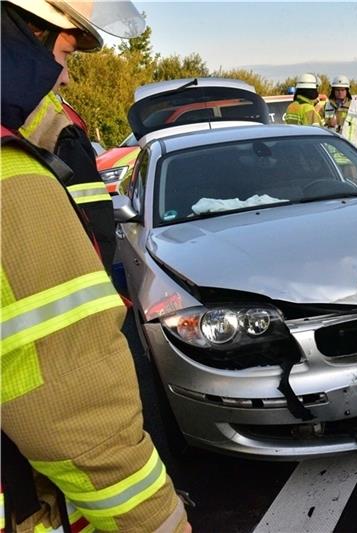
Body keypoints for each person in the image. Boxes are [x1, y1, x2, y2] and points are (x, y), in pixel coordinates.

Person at [1, 1, 190, 532]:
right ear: (18, 33)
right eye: (62, 51)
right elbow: (73, 406)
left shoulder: (51, 139)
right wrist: (159, 521)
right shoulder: (14, 177)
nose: (62, 73)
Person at [20, 91, 116, 274]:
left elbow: (94, 219)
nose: (65, 79)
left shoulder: (56, 127)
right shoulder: (54, 123)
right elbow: (97, 223)